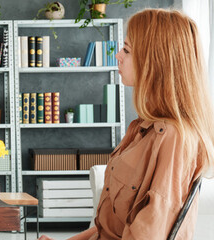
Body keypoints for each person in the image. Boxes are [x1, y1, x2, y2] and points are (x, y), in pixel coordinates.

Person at [39, 8, 214, 240]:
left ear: (156, 60)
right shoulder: (141, 128)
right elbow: (110, 228)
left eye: (127, 49)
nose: (118, 56)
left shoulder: (173, 138)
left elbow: (147, 234)